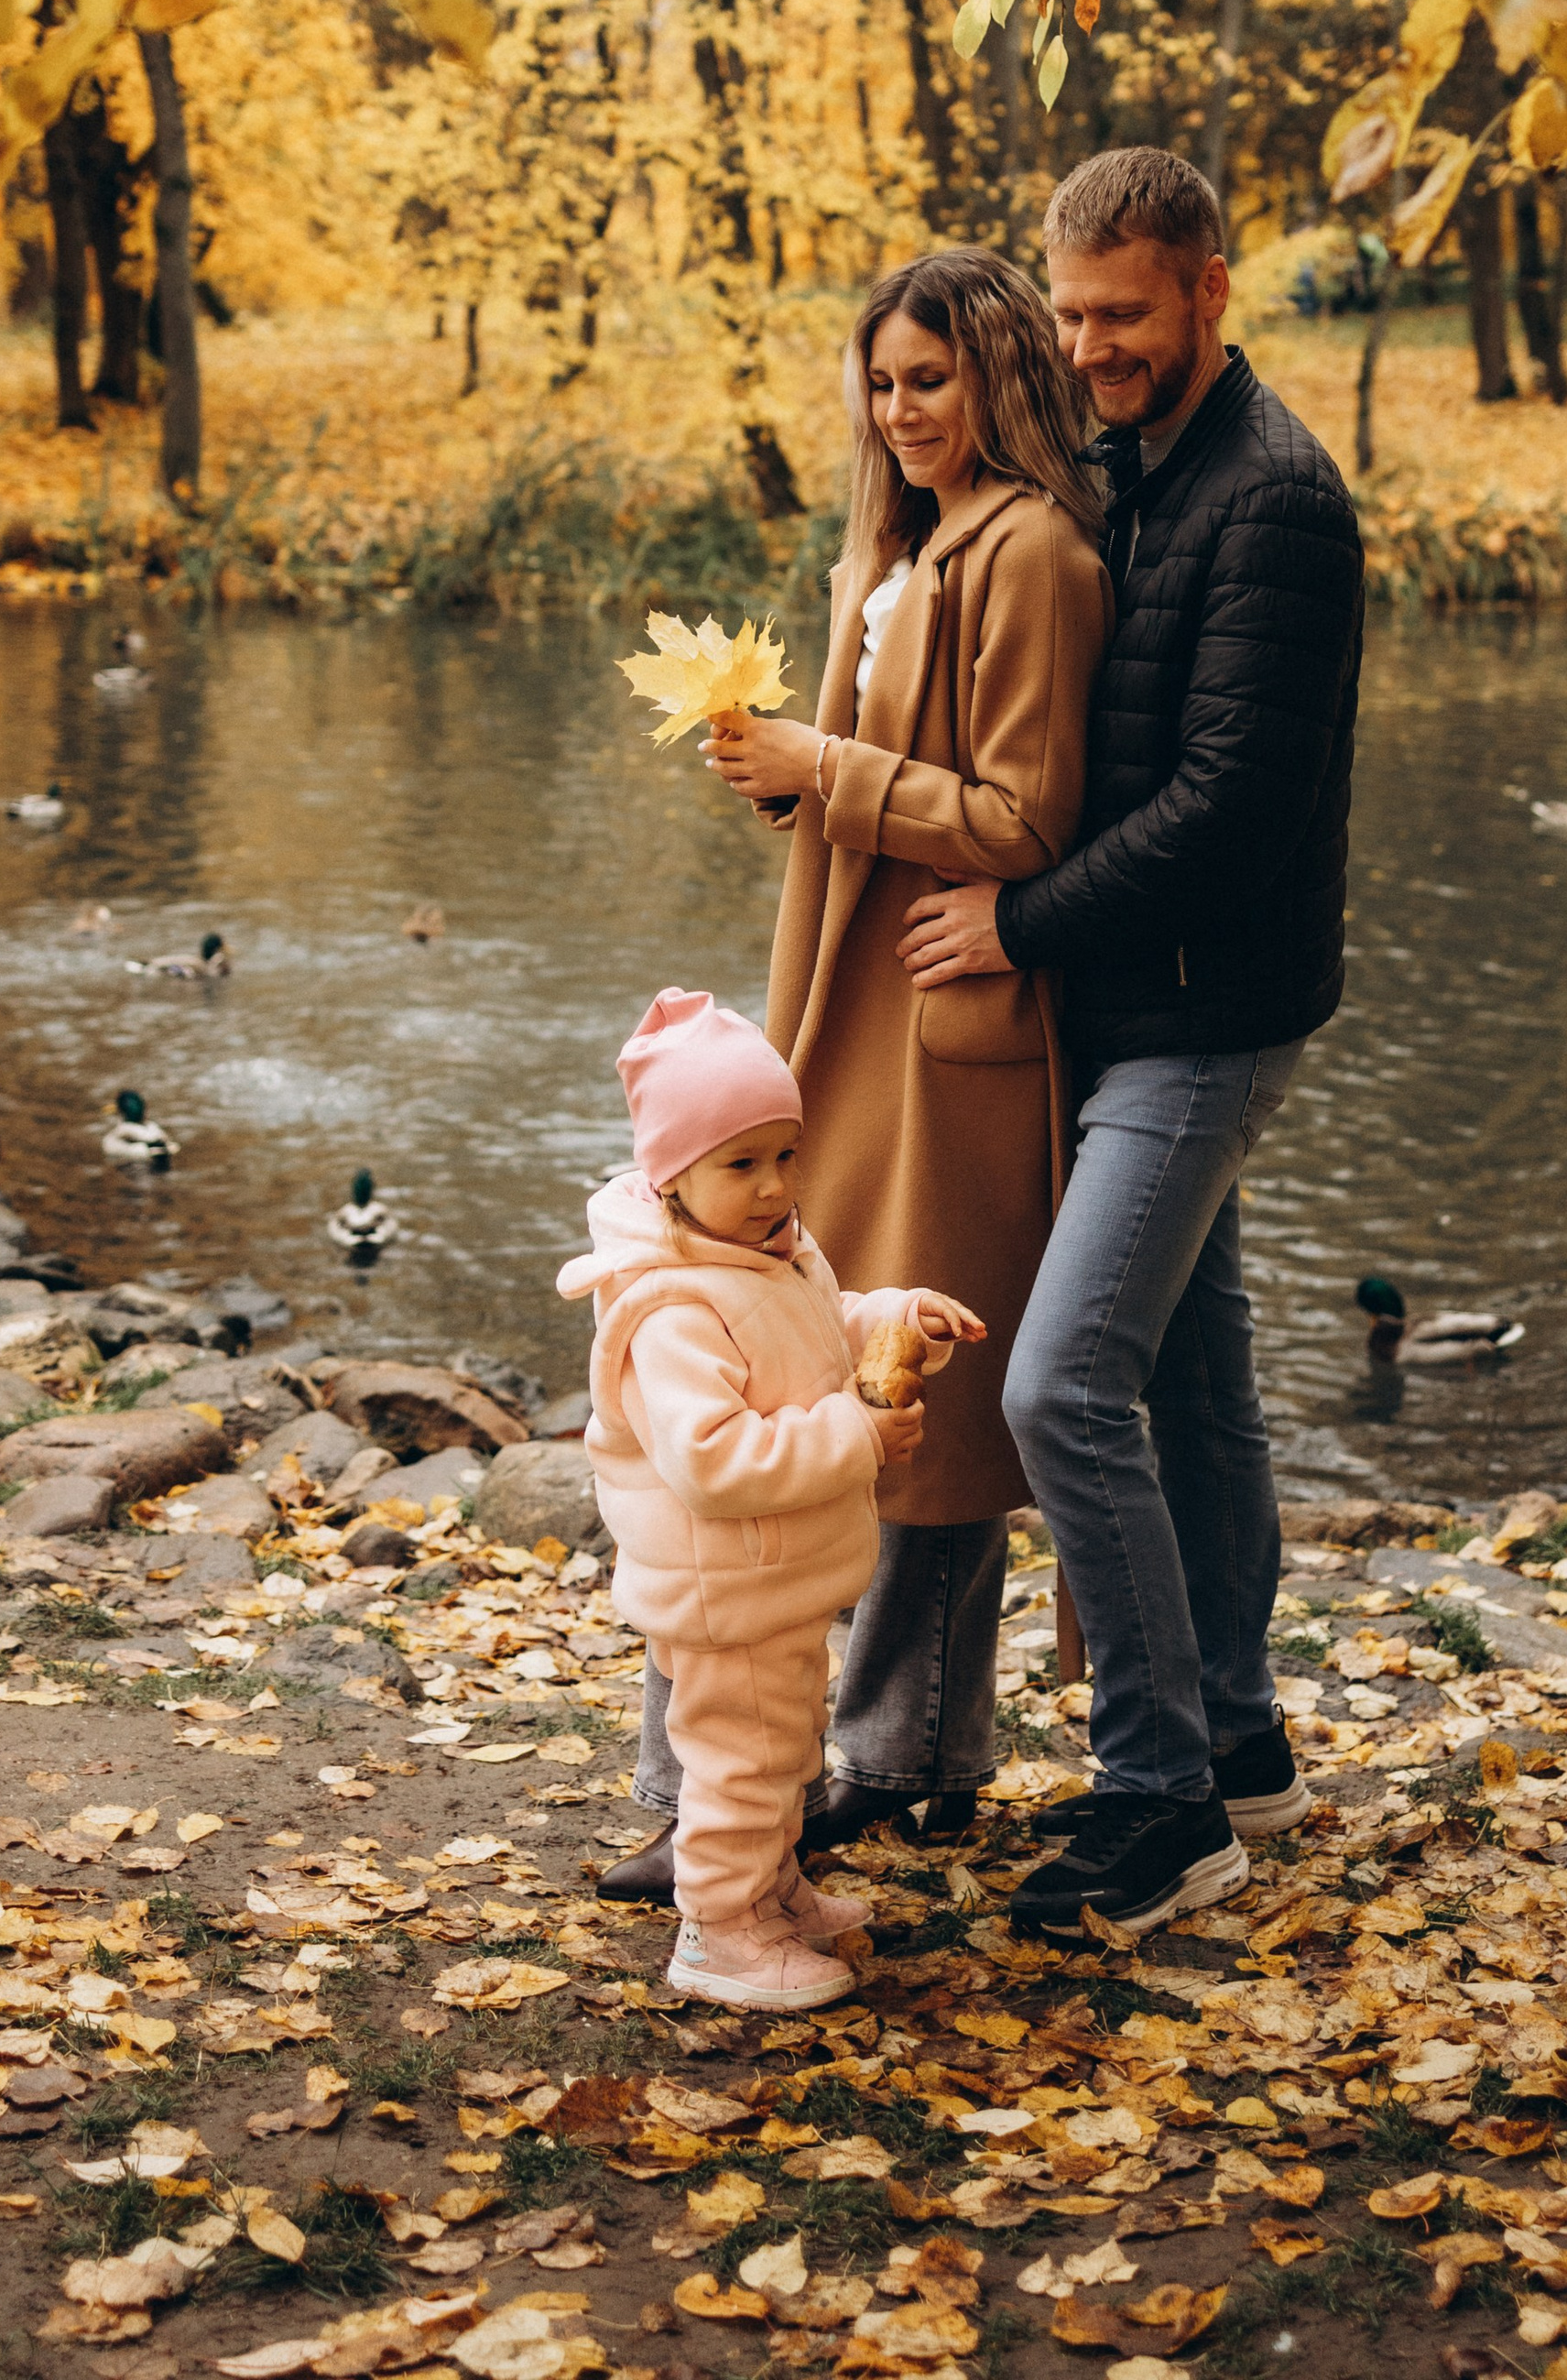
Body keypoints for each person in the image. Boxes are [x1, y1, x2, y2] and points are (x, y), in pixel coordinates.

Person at [898, 149, 1365, 1942]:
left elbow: (1227, 808)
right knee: (1186, 1388)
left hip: (1205, 1012)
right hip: (1127, 1009)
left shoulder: (1275, 501)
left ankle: (1156, 1803)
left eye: (1123, 315)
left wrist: (1015, 923)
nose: (1090, 345)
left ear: (1207, 293)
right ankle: (1241, 1750)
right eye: (1070, 314)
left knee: (1056, 1386)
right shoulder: (1116, 471)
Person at [610, 249, 1109, 1896]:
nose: (899, 411)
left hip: (945, 1028)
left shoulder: (1030, 550)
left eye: (932, 380)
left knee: (921, 1373)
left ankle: (908, 1752)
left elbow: (1029, 815)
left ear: (1000, 381)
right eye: (881, 382)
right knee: (809, 1348)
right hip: (842, 998)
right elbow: (877, 777)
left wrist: (828, 768)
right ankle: (829, 1755)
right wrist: (780, 777)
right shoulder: (887, 546)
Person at [558, 986, 984, 2009]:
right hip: (723, 1585)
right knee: (740, 1767)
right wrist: (856, 1435)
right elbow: (712, 1460)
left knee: (783, 1750)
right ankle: (718, 1933)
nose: (772, 1185)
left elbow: (822, 1327)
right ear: (671, 1174)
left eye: (785, 1155)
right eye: (739, 1164)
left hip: (775, 1577)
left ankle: (772, 1890)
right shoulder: (670, 1311)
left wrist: (898, 1318)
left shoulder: (766, 1254)